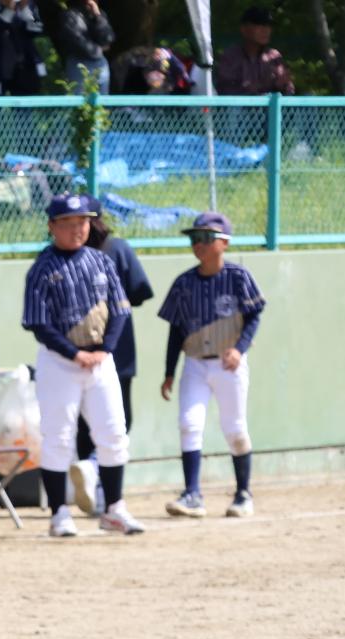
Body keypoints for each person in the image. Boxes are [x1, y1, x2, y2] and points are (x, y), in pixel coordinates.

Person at [20, 193, 144, 538]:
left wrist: (104, 349)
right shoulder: (42, 268)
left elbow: (120, 309)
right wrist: (76, 354)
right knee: (59, 437)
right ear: (52, 227)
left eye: (83, 222)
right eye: (69, 223)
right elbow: (38, 323)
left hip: (100, 360)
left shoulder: (101, 261)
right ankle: (59, 513)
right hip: (61, 362)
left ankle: (115, 509)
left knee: (114, 433)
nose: (78, 229)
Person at [158, 212, 265, 520]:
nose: (198, 245)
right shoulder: (184, 283)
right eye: (194, 239)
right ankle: (192, 494)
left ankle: (243, 493)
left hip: (228, 363)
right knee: (189, 423)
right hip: (195, 363)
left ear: (224, 243)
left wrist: (240, 349)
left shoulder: (238, 277)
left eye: (206, 238)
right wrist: (169, 371)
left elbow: (254, 314)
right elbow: (176, 329)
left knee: (235, 430)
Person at [72, 207, 153, 517]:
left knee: (83, 422)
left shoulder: (61, 256)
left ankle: (93, 479)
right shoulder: (116, 249)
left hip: (75, 349)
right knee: (119, 420)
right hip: (115, 346)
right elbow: (141, 291)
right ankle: (102, 484)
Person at [214, 7, 295, 97]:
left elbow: (288, 92)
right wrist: (258, 88)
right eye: (259, 24)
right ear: (243, 29)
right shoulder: (230, 57)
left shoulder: (274, 56)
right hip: (240, 108)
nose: (266, 30)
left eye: (268, 25)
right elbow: (226, 91)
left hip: (269, 109)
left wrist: (282, 85)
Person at [0, 1, 45, 96]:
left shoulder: (29, 5)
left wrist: (24, 9)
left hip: (25, 70)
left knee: (24, 108)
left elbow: (36, 30)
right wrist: (8, 11)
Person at [48, 0, 114, 92]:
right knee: (80, 102)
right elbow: (77, 42)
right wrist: (99, 49)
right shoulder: (69, 15)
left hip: (101, 64)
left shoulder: (100, 14)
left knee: (102, 102)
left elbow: (108, 38)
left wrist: (98, 16)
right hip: (79, 64)